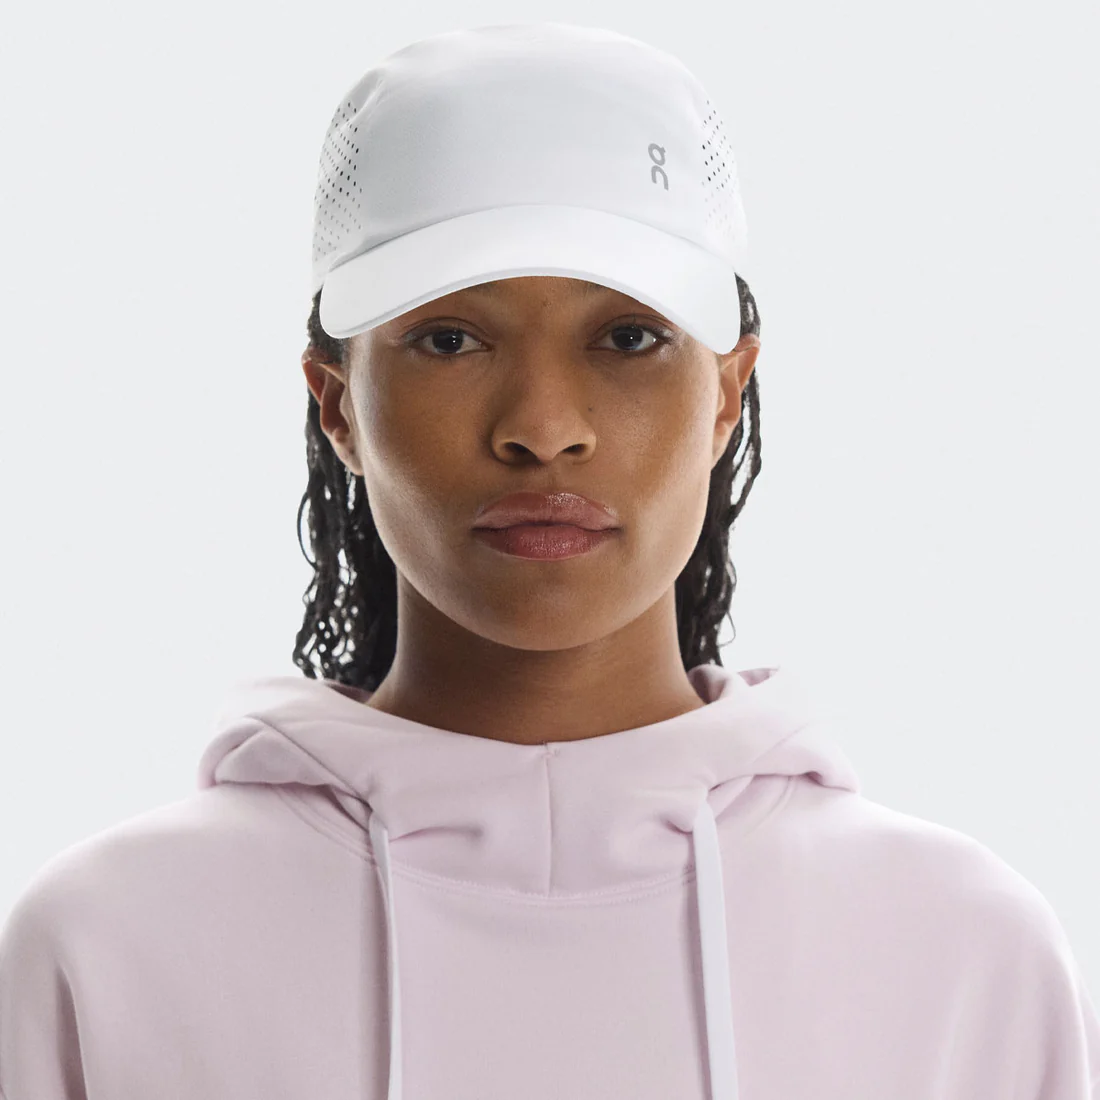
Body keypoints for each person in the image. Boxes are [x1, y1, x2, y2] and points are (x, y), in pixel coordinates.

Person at [2, 21, 1097, 1100]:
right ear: (338, 404)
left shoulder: (960, 955)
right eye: (449, 339)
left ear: (725, 393)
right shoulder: (110, 949)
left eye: (627, 337)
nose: (542, 427)